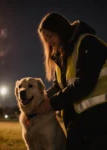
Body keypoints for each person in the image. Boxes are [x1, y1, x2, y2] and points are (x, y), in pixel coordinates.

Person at [37, 12, 107, 150]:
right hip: (78, 122)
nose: (48, 42)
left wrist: (52, 103)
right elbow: (59, 86)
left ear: (60, 30)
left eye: (50, 36)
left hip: (100, 120)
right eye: (45, 39)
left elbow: (84, 83)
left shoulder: (87, 43)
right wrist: (39, 100)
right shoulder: (63, 55)